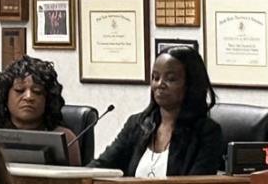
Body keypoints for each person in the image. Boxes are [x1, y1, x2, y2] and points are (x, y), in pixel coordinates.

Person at [90, 45, 224, 177]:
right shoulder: (138, 124)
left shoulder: (207, 134)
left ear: (190, 84)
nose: (160, 84)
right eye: (155, 77)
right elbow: (103, 166)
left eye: (170, 79)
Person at [0, 55, 81, 165]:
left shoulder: (65, 138)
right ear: (5, 96)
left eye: (37, 91)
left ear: (48, 99)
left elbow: (76, 181)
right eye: (19, 90)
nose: (28, 97)